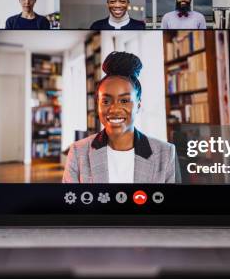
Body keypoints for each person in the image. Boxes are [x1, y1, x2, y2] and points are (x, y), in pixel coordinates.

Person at [63, 51, 180, 183]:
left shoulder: (166, 153)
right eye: (106, 101)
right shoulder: (78, 152)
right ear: (98, 105)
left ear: (138, 105)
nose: (114, 109)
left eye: (124, 101)